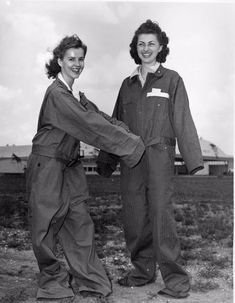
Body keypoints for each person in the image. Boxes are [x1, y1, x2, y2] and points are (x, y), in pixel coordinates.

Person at [26, 34, 145, 301]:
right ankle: (51, 283)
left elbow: (97, 116)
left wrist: (132, 137)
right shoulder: (57, 95)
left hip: (70, 167)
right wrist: (133, 146)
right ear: (59, 61)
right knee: (45, 227)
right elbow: (90, 125)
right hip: (48, 167)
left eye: (81, 59)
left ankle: (92, 281)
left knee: (80, 225)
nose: (77, 64)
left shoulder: (74, 96)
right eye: (71, 59)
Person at [97, 20, 204, 299]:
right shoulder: (127, 84)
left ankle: (176, 280)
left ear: (161, 47)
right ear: (136, 48)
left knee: (160, 216)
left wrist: (193, 160)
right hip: (131, 159)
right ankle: (141, 271)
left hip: (159, 156)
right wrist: (106, 161)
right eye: (141, 44)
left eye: (151, 44)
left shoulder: (172, 80)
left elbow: (182, 118)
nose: (146, 49)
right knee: (135, 216)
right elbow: (116, 125)